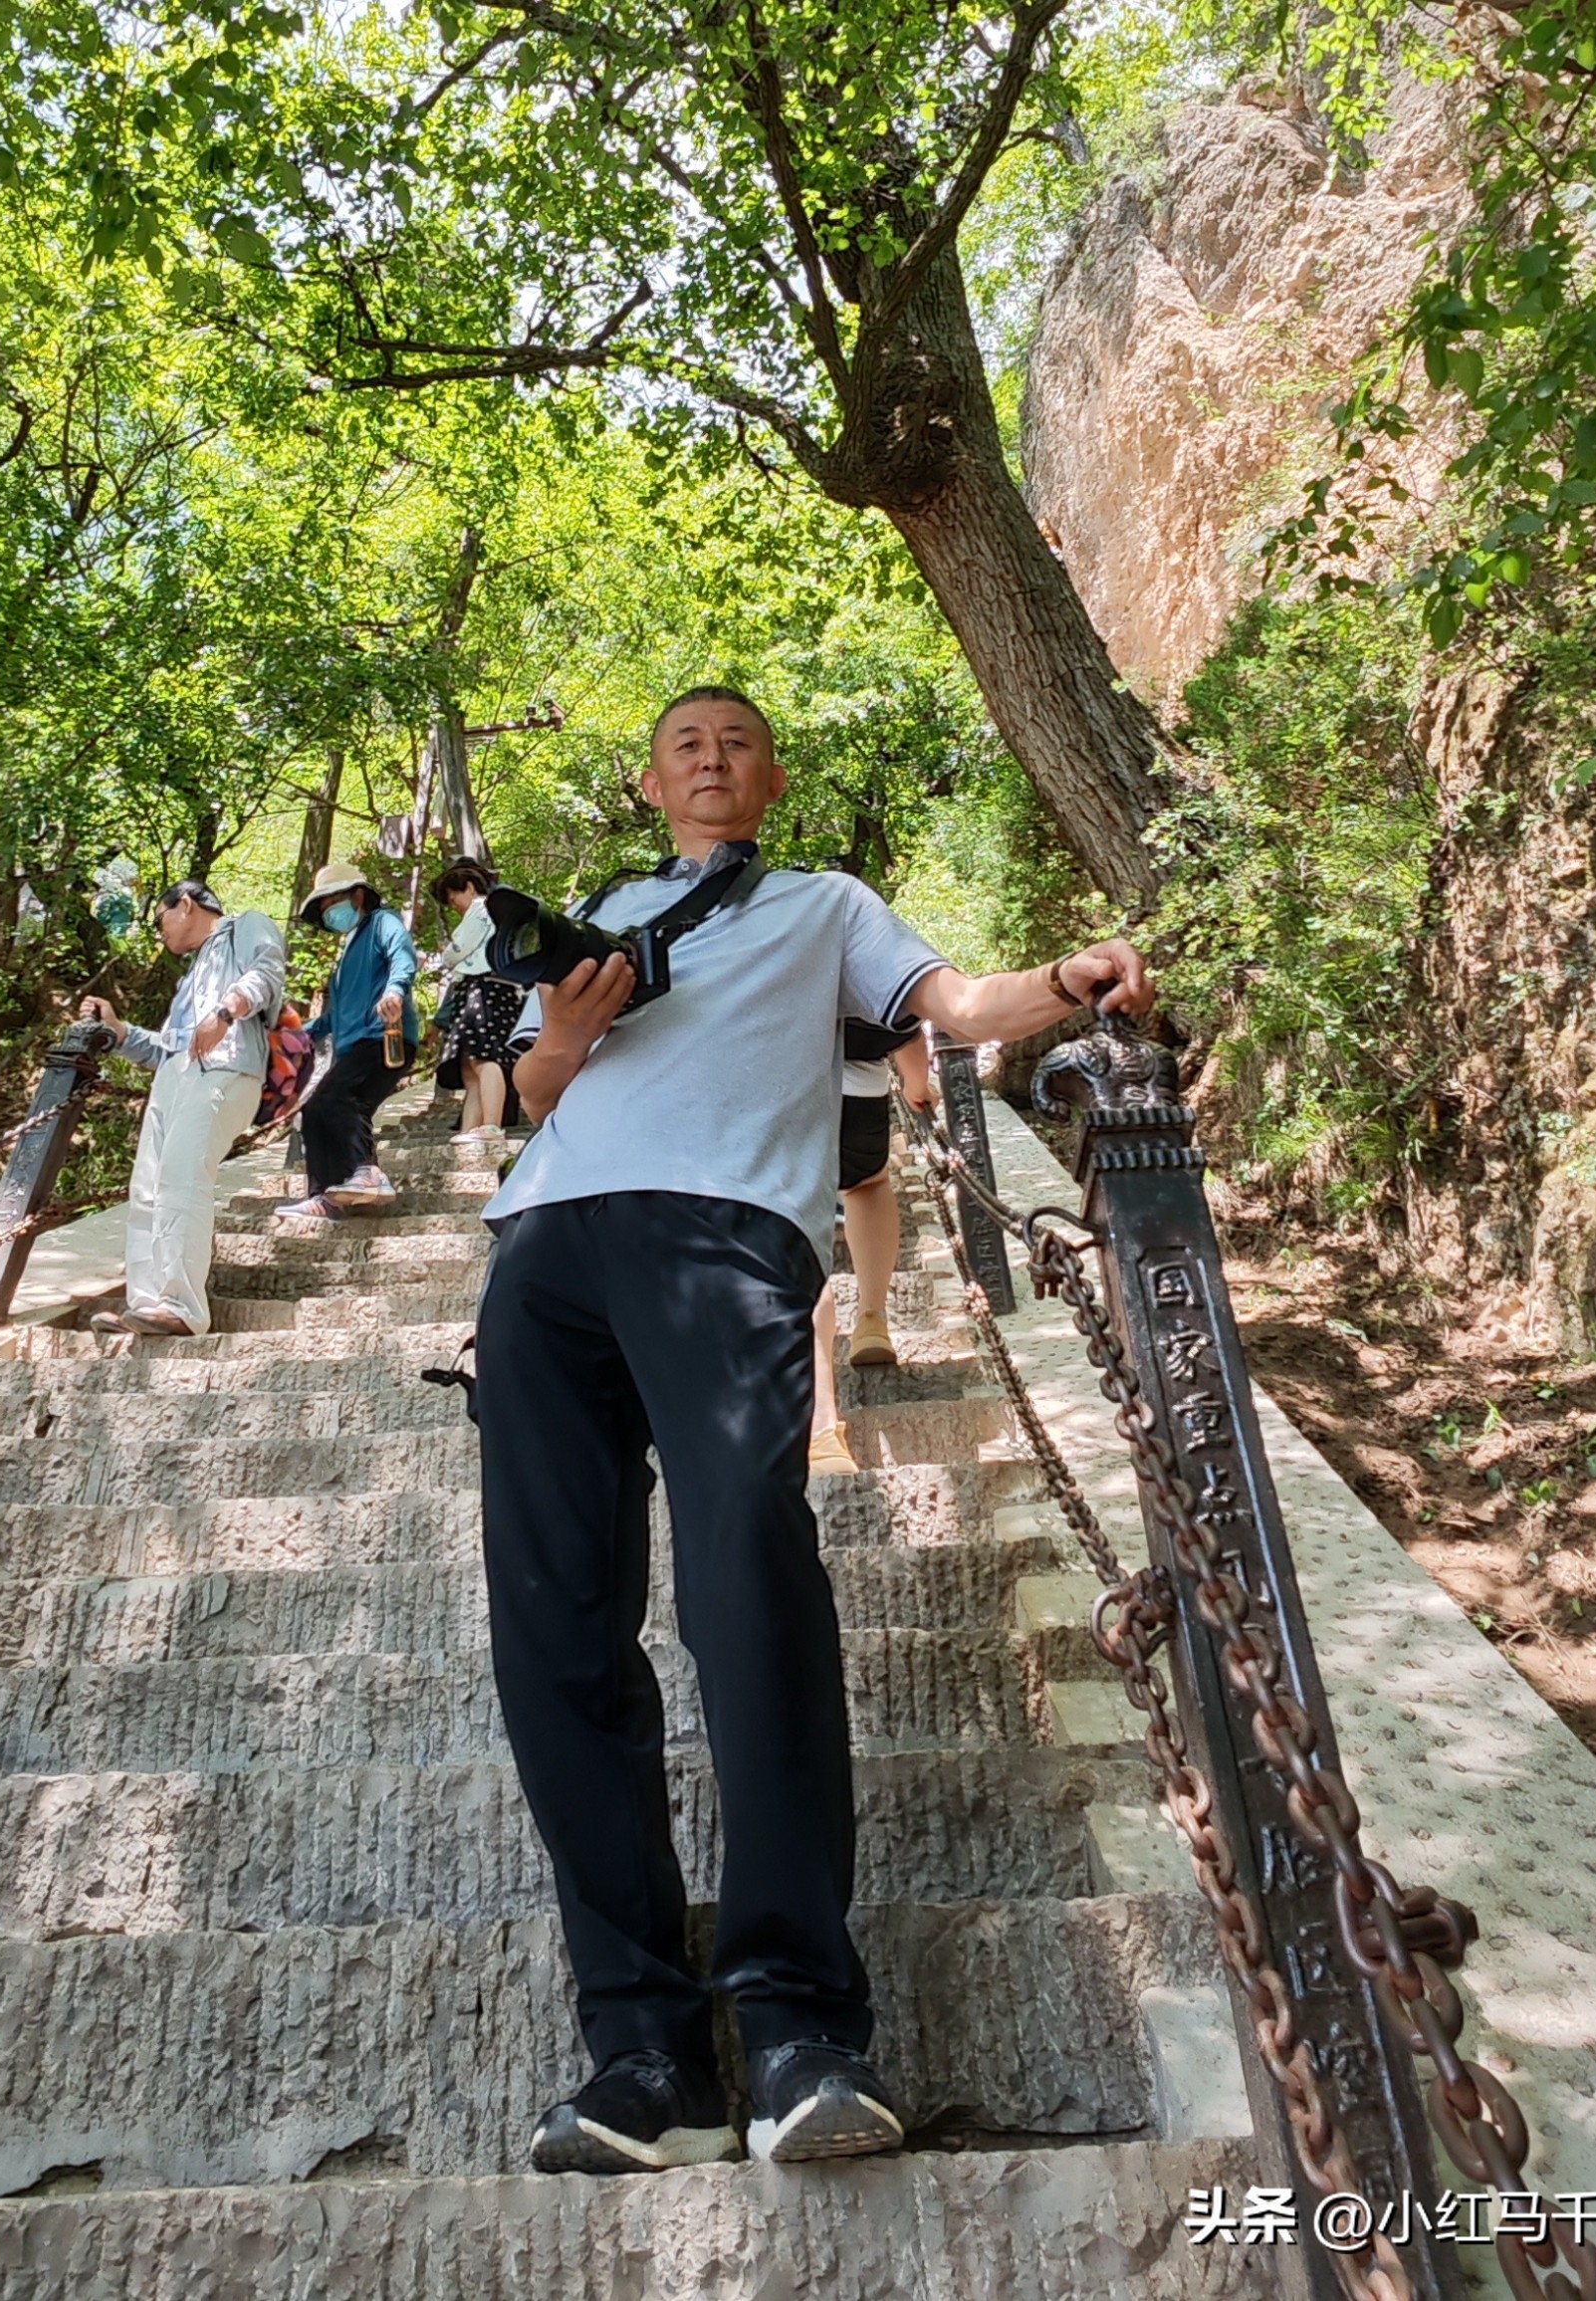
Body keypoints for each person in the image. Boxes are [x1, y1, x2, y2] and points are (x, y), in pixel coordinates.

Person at [477, 684, 1154, 2177]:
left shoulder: (824, 903)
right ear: (646, 779)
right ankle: (642, 2052)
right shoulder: (580, 910)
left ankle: (796, 2024)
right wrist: (565, 1030)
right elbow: (518, 1094)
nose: (710, 759)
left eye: (736, 742)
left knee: (748, 1588)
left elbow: (964, 1010)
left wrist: (1071, 970)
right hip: (542, 1255)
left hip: (726, 1244)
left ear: (769, 776)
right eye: (684, 745)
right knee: (553, 1636)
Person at [78, 878, 287, 1337]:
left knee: (182, 1178)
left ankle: (183, 1307)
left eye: (160, 920)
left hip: (224, 1067)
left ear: (186, 905)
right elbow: (168, 1048)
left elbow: (268, 973)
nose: (161, 932)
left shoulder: (244, 928)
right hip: (175, 1077)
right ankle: (146, 1302)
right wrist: (120, 1030)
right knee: (148, 1188)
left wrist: (226, 1011)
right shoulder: (192, 975)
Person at [806, 1023, 935, 1479]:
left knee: (792, 1230)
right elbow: (904, 1024)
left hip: (771, 1084)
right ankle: (871, 1320)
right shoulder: (851, 945)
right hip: (859, 1090)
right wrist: (917, 1084)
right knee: (868, 1183)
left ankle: (822, 1428)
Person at [279, 860, 419, 1220]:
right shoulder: (347, 952)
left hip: (386, 1035)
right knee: (316, 1108)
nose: (327, 911)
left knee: (337, 1097)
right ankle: (328, 1195)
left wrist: (394, 990)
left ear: (358, 895)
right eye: (322, 907)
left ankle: (366, 1174)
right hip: (353, 1044)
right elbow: (335, 1016)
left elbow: (402, 956)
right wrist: (297, 1033)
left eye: (331, 901)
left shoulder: (382, 923)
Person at [428, 856, 517, 1144]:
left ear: (468, 887)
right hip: (475, 989)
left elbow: (455, 952)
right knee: (470, 1067)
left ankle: (491, 1125)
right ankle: (469, 1130)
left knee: (484, 1057)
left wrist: (448, 954)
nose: (452, 903)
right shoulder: (489, 912)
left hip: (487, 988)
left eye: (453, 896)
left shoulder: (482, 910)